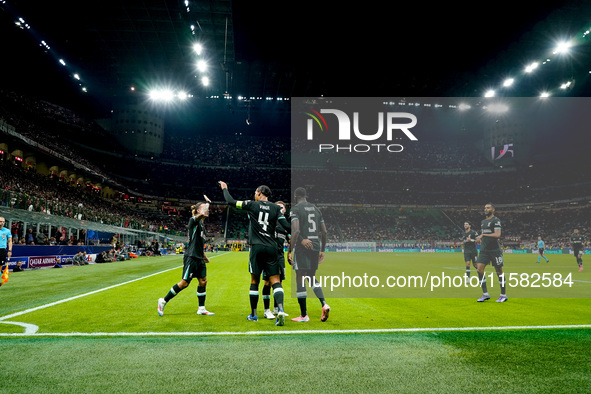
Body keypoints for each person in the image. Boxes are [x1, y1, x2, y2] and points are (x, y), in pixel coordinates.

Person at [219, 181, 287, 326]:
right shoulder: (276, 208)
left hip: (256, 247)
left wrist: (225, 188)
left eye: (255, 193)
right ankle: (280, 310)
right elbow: (287, 227)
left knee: (254, 281)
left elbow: (231, 202)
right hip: (271, 247)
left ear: (259, 193)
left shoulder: (251, 204)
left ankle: (254, 315)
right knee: (275, 281)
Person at [158, 201, 215, 317]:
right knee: (184, 283)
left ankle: (201, 308)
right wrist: (208, 203)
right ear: (199, 211)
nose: (207, 210)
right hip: (191, 257)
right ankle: (163, 301)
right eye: (205, 208)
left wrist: (204, 257)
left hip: (199, 258)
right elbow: (197, 218)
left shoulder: (203, 226)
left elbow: (198, 243)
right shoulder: (193, 221)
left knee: (203, 281)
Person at [288, 187, 330, 322]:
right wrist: (322, 250)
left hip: (303, 248)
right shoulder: (316, 209)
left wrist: (289, 250)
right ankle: (324, 304)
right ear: (306, 196)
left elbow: (295, 231)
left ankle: (304, 315)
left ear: (295, 196)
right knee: (311, 277)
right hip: (316, 247)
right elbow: (324, 232)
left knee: (300, 277)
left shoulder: (296, 209)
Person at [261, 201, 290, 320]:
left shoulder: (285, 225)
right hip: (268, 257)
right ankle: (266, 310)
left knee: (279, 283)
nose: (279, 209)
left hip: (280, 257)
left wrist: (289, 253)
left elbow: (290, 238)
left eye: (281, 207)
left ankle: (277, 308)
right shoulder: (269, 222)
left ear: (285, 210)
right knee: (267, 282)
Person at [475, 203, 507, 303]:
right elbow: (486, 236)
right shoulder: (483, 222)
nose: (485, 209)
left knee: (499, 272)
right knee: (479, 270)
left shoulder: (496, 220)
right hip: (484, 250)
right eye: (484, 208)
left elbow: (497, 234)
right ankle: (485, 294)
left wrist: (483, 235)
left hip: (495, 250)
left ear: (493, 210)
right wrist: (480, 239)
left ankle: (503, 295)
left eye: (488, 208)